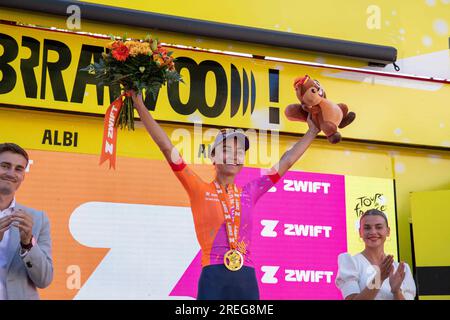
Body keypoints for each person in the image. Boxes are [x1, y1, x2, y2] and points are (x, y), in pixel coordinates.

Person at [131, 92, 319, 300]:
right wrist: (138, 102)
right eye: (227, 150)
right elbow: (166, 147)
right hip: (213, 276)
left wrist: (312, 132)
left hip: (246, 278)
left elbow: (287, 160)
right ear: (213, 156)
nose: (233, 156)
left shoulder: (250, 192)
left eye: (239, 152)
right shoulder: (198, 189)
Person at [0, 143, 53, 300]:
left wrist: (28, 244)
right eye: (4, 166)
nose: (11, 173)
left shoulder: (37, 219)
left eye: (18, 169)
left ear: (23, 176)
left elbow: (44, 279)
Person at [335, 209, 416, 300]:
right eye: (367, 228)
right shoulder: (351, 264)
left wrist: (396, 291)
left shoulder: (401, 269)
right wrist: (379, 278)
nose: (373, 232)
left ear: (388, 231)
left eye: (379, 227)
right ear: (360, 232)